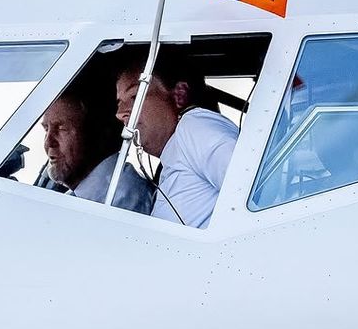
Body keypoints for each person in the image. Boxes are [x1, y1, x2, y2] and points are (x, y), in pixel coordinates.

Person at [115, 63, 239, 228]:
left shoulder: (194, 127)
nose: (120, 112)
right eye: (119, 103)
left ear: (179, 95)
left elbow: (253, 190)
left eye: (135, 96)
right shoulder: (173, 154)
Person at [42, 88, 153, 213]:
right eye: (46, 129)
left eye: (62, 129)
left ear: (94, 133)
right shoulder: (90, 196)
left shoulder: (122, 197)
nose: (48, 142)